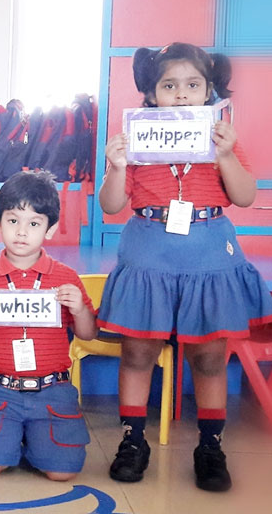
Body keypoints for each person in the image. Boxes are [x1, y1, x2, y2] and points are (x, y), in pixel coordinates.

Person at [99, 42, 272, 492]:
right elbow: (112, 205)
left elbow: (245, 196)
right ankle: (132, 440)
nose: (181, 94)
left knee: (210, 356)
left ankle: (211, 446)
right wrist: (116, 166)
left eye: (193, 85)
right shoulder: (136, 141)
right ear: (151, 94)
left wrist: (226, 155)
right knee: (137, 352)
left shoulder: (222, 140)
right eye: (169, 85)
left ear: (209, 91)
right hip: (147, 255)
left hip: (209, 258)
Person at [0, 170, 96, 481]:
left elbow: (87, 334)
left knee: (62, 472)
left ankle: (29, 439)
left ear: (50, 228)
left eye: (34, 224)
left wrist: (80, 309)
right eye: (12, 220)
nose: (21, 232)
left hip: (52, 390)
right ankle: (12, 437)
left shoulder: (66, 277)